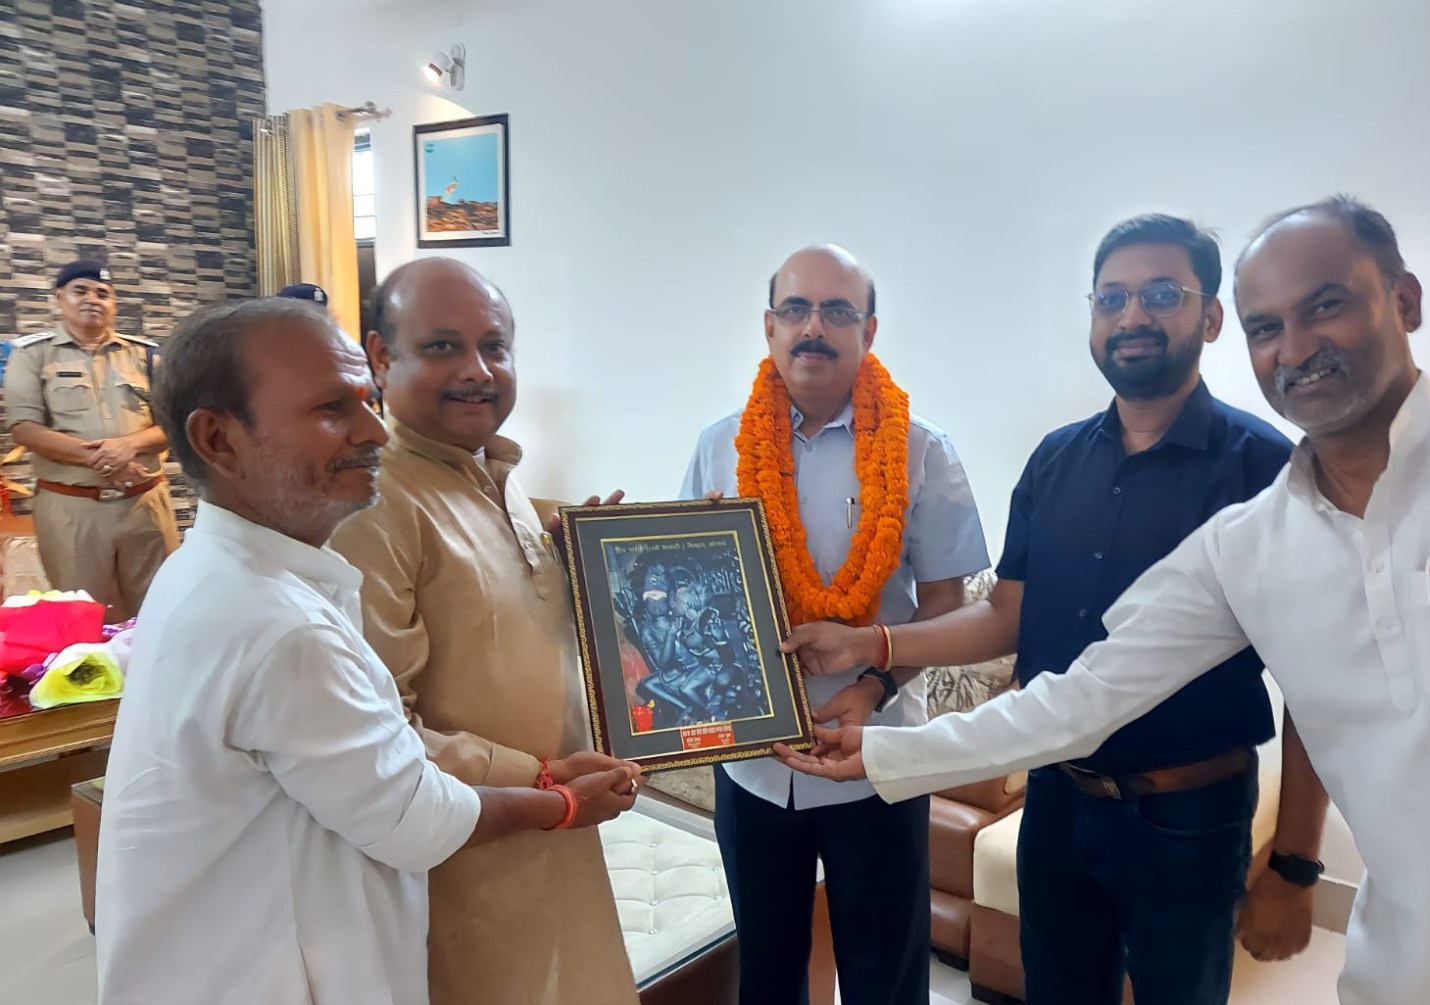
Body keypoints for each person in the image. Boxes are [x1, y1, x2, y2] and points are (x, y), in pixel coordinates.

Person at [777, 197, 1430, 1005]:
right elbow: (1083, 694)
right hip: (1392, 959)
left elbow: (1306, 697)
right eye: (1270, 327)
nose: (1297, 346)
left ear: (1404, 300)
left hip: (1196, 816)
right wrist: (884, 736)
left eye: (1326, 305)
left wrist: (1295, 862)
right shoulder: (1243, 536)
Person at [95, 298, 639, 1005]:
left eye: (496, 346)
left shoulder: (231, 568)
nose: (372, 429)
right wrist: (556, 798)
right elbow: (410, 813)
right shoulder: (283, 613)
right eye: (332, 408)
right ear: (218, 440)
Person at [679, 244, 989, 1005]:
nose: (813, 327)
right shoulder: (720, 446)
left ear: (868, 330)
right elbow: (688, 590)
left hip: (880, 761)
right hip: (754, 763)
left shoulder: (921, 450)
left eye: (837, 311)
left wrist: (874, 685)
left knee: (887, 981)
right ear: (770, 325)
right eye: (796, 309)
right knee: (767, 975)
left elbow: (948, 606)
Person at [329, 258, 640, 1004]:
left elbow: (510, 643)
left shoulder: (497, 475)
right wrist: (538, 780)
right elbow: (382, 734)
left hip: (561, 834)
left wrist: (599, 578)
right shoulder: (372, 502)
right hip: (465, 858)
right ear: (381, 357)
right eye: (443, 346)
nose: (477, 370)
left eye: (494, 346)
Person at [3, 260, 179, 620]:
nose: (92, 299)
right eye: (80, 290)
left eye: (103, 293)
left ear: (114, 304)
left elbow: (171, 425)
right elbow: (25, 428)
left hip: (144, 504)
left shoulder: (146, 355)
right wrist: (105, 461)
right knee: (84, 617)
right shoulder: (32, 354)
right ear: (59, 298)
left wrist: (127, 447)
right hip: (72, 509)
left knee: (164, 610)